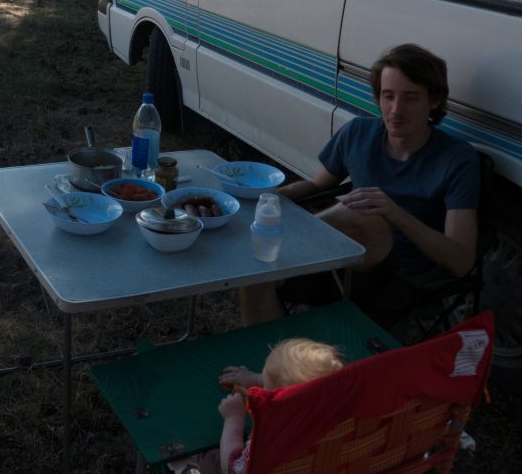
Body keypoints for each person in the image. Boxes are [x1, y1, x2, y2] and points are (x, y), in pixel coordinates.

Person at [241, 43, 481, 326]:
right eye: (387, 96)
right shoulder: (358, 133)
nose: (395, 110)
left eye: (411, 98)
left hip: (399, 279)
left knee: (367, 214)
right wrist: (263, 201)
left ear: (435, 100)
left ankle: (280, 256)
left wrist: (397, 215)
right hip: (336, 261)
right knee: (253, 277)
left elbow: (462, 261)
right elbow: (317, 185)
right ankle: (271, 365)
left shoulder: (457, 159)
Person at [169, 338, 345, 474]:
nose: (262, 387)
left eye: (266, 386)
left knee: (207, 461)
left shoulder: (271, 438)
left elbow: (233, 469)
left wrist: (234, 419)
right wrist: (257, 379)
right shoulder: (341, 418)